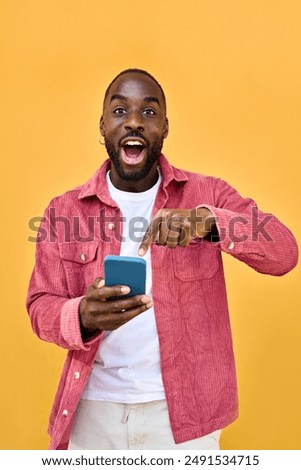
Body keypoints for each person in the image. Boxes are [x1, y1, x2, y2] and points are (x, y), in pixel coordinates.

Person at [26, 68, 298, 450]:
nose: (134, 122)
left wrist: (208, 221)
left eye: (149, 113)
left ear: (165, 127)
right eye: (120, 111)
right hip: (92, 414)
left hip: (185, 421)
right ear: (102, 126)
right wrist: (82, 317)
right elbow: (40, 306)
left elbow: (284, 252)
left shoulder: (208, 193)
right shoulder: (63, 211)